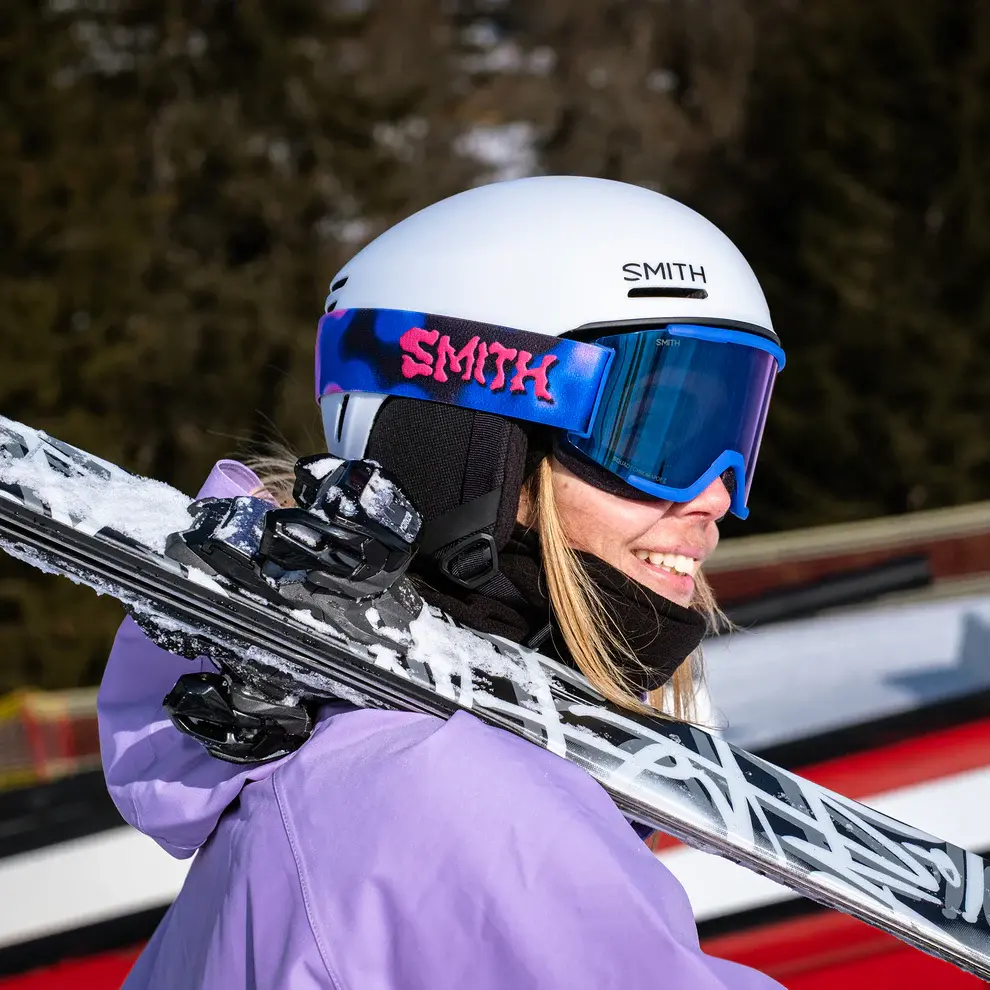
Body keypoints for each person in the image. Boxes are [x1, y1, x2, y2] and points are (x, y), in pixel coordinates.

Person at [98, 176, 786, 989]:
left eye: (732, 429)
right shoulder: (440, 795)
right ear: (467, 450)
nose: (715, 495)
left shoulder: (364, 763)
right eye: (661, 437)